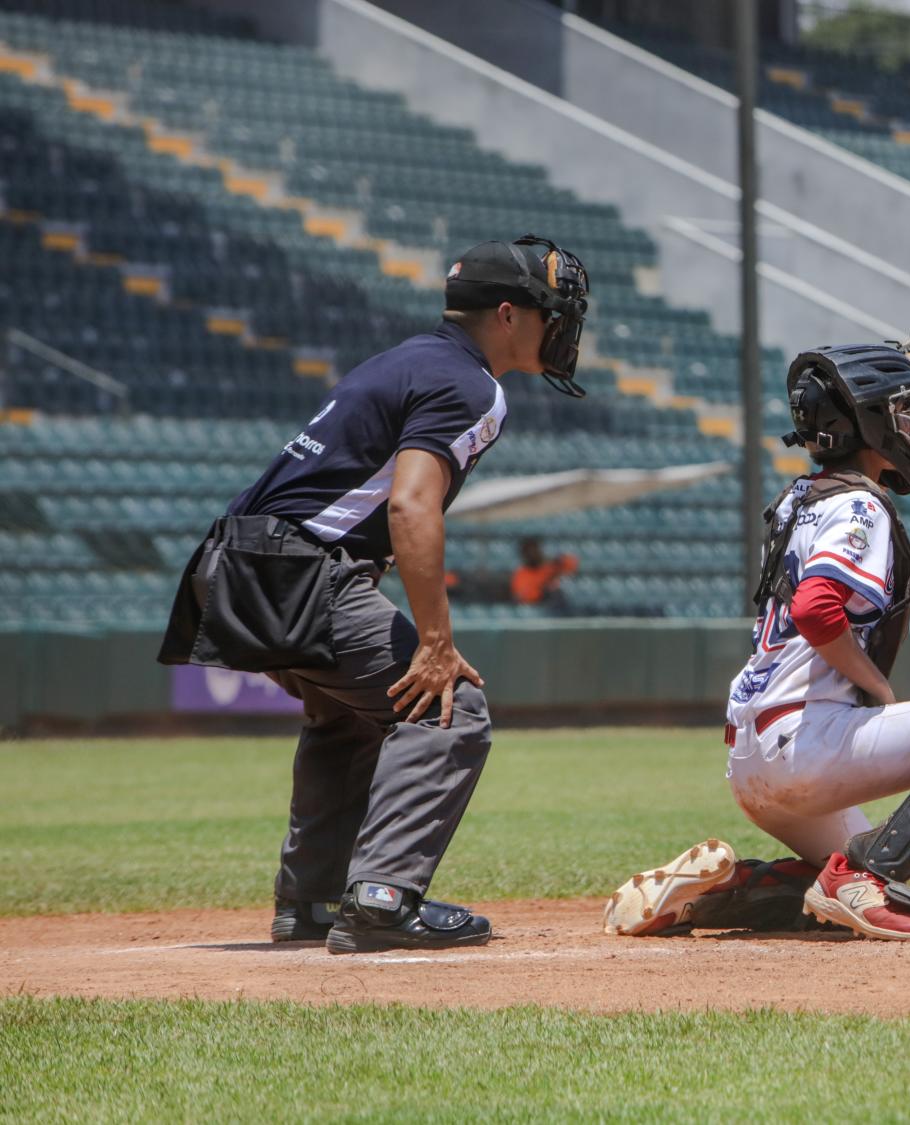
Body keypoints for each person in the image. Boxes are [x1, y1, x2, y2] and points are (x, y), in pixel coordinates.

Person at [158, 235, 591, 952]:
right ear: (508, 315)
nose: (563, 328)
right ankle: (383, 898)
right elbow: (411, 506)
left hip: (232, 564)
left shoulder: (410, 357)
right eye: (554, 312)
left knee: (355, 716)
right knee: (450, 708)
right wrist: (435, 642)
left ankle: (311, 900)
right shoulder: (472, 384)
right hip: (293, 571)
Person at [603, 328, 910, 941]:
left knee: (831, 882)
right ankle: (863, 881)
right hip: (807, 745)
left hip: (752, 757)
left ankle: (718, 894)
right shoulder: (861, 505)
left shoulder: (799, 498)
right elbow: (819, 610)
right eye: (902, 412)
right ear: (870, 421)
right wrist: (877, 686)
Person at [511, 536, 578, 607]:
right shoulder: (521, 574)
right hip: (539, 606)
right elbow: (524, 596)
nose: (532, 555)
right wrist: (542, 586)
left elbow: (572, 563)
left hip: (559, 603)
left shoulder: (551, 565)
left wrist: (557, 562)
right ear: (523, 555)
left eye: (534, 551)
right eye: (528, 552)